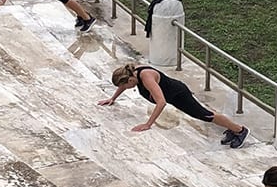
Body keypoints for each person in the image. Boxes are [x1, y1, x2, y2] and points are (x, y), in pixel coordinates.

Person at [100, 61, 247, 147]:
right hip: (172, 95)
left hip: (178, 95)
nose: (125, 89)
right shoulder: (132, 75)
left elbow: (161, 102)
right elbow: (122, 84)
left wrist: (148, 124)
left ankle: (239, 130)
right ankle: (232, 129)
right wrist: (113, 98)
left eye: (126, 86)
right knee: (204, 115)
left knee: (205, 115)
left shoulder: (146, 77)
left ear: (130, 80)